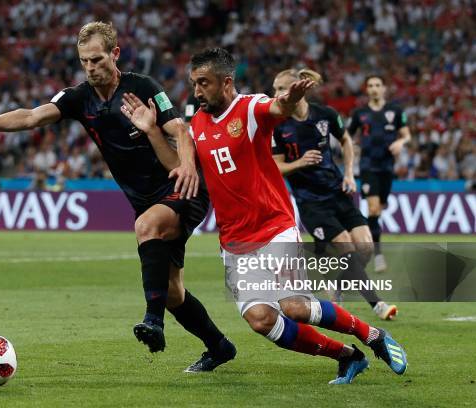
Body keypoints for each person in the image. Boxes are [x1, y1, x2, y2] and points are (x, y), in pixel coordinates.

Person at [0, 22, 236, 372]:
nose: (90, 67)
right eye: (84, 61)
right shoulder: (79, 98)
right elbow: (31, 116)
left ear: (114, 54)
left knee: (146, 226)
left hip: (182, 186)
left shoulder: (142, 88)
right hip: (146, 197)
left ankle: (152, 322)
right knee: (173, 292)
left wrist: (189, 166)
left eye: (97, 59)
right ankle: (219, 346)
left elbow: (179, 128)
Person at [121, 48, 407, 384]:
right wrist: (153, 132)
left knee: (295, 306)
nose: (196, 91)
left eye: (204, 83)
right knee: (261, 319)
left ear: (226, 82)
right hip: (235, 240)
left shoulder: (250, 107)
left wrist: (288, 101)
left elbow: (276, 107)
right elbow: (180, 170)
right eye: (193, 83)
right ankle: (346, 356)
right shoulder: (196, 124)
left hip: (275, 227)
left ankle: (371, 335)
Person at [270, 68, 398, 320]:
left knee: (365, 248)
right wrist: (299, 163)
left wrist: (349, 173)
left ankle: (336, 284)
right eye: (274, 89)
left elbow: (347, 141)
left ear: (297, 89)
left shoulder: (325, 115)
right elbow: (276, 166)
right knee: (348, 250)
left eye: (280, 89)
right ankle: (378, 305)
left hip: (337, 192)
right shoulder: (278, 126)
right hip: (311, 202)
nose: (276, 95)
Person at [347, 75, 411, 272]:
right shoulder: (360, 113)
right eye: (371, 85)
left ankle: (363, 237)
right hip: (368, 167)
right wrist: (352, 147)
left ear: (384, 88)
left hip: (387, 168)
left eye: (377, 85)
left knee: (378, 209)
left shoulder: (396, 111)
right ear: (367, 90)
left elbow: (407, 134)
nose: (374, 88)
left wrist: (400, 142)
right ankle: (377, 254)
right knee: (373, 209)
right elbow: (347, 135)